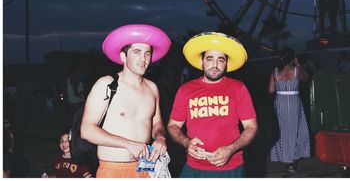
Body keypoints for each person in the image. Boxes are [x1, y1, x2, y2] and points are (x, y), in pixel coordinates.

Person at [80, 24, 171, 178]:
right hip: (113, 169)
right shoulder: (107, 84)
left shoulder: (152, 88)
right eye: (137, 52)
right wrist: (128, 144)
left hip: (146, 168)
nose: (143, 58)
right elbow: (87, 130)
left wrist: (161, 137)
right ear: (123, 57)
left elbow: (157, 123)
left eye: (147, 53)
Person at [168, 32, 258, 178]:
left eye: (221, 60)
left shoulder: (238, 88)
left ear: (226, 64)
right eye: (210, 59)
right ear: (202, 62)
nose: (215, 65)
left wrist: (231, 149)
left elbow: (252, 127)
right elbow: (173, 126)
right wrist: (186, 142)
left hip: (230, 167)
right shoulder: (185, 90)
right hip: (194, 167)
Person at [268, 47, 310, 173]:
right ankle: (291, 161)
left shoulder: (275, 72)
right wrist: (299, 65)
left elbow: (270, 90)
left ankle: (286, 158)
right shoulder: (297, 70)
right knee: (294, 131)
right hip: (294, 102)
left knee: (282, 130)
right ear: (292, 59)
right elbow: (307, 79)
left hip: (280, 102)